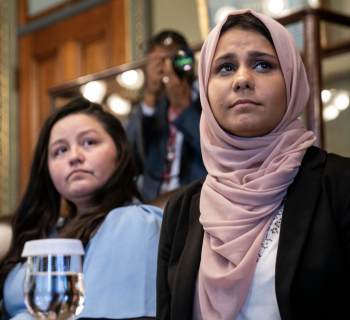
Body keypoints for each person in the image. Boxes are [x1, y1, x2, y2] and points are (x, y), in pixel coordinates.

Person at [156, 10, 350, 320]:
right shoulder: (182, 210)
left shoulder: (340, 186)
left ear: (292, 80)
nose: (243, 79)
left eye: (263, 64)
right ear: (205, 89)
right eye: (225, 67)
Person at [0, 97, 162, 319]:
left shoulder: (131, 223)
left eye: (89, 142)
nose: (74, 157)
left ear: (120, 151)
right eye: (60, 150)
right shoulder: (45, 231)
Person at [126, 31, 207, 201]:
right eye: (158, 61)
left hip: (196, 200)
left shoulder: (208, 100)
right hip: (155, 202)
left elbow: (216, 153)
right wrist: (150, 96)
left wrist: (184, 107)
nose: (166, 66)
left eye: (172, 58)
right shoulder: (154, 107)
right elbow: (130, 159)